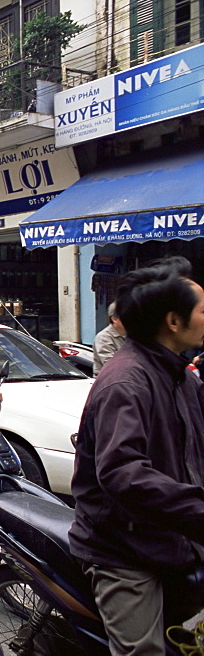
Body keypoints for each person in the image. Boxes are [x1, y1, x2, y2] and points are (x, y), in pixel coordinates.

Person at [70, 256, 204, 655]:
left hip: (180, 537)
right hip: (126, 550)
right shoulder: (125, 383)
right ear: (173, 322)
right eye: (201, 309)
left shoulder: (181, 376)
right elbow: (123, 474)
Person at [93, 301, 126, 377]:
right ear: (114, 319)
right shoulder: (104, 337)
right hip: (109, 381)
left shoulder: (132, 335)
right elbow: (111, 364)